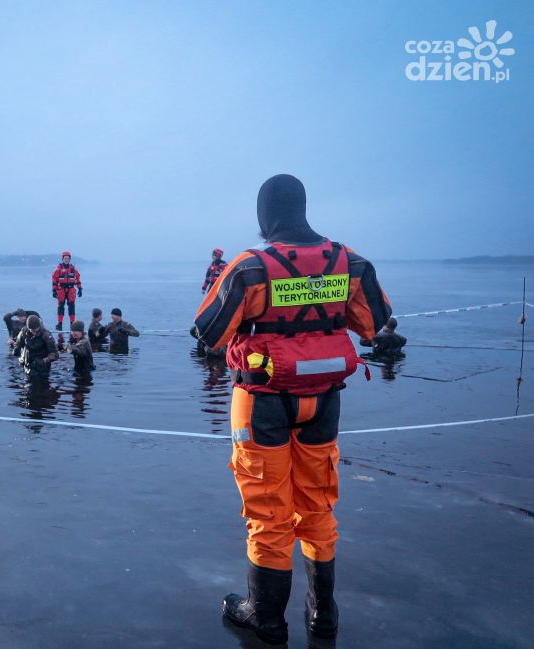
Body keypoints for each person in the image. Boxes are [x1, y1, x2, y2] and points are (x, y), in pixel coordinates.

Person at [193, 174, 391, 643]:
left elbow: (207, 333)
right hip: (324, 402)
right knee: (318, 503)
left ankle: (264, 615)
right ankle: (323, 613)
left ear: (265, 216)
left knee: (268, 510)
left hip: (261, 402)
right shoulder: (350, 262)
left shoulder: (249, 267)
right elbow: (376, 323)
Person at [13, 315, 59, 381]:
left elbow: (55, 354)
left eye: (36, 331)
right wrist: (17, 348)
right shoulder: (24, 331)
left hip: (42, 369)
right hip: (28, 366)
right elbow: (18, 342)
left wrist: (44, 361)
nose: (34, 333)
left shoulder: (46, 335)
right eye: (32, 330)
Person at [52, 251, 83, 331]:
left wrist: (80, 289)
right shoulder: (58, 269)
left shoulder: (73, 269)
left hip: (71, 290)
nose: (66, 260)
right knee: (60, 307)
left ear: (70, 259)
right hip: (61, 290)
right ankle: (60, 323)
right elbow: (54, 280)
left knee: (72, 307)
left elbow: (77, 279)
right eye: (65, 258)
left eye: (68, 258)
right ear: (62, 259)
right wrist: (54, 290)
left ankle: (72, 323)